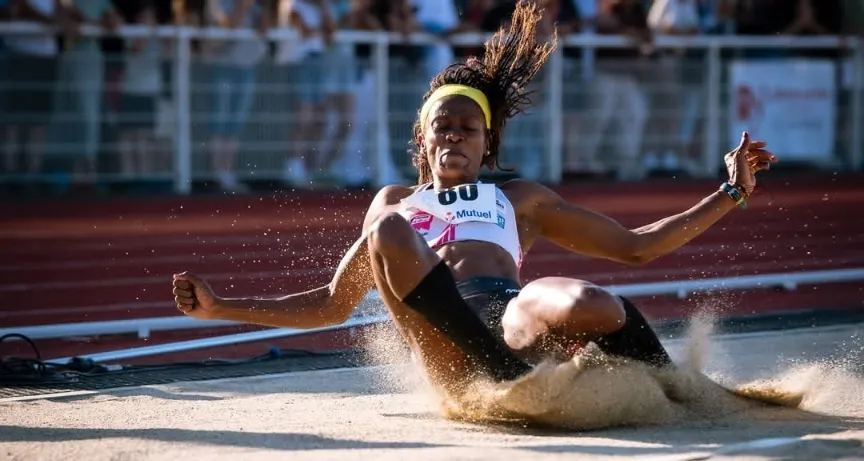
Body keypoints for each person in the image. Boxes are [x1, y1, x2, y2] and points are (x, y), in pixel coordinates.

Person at [172, 1, 777, 396]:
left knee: (588, 299)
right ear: (422, 138)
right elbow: (333, 304)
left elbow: (637, 248)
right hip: (440, 342)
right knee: (386, 228)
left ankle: (675, 391)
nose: (455, 133)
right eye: (443, 125)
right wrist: (221, 306)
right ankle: (498, 377)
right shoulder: (396, 201)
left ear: (487, 144)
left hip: (508, 320)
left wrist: (729, 193)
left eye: (469, 127)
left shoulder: (519, 198)